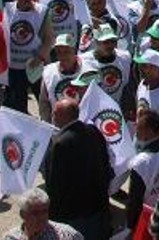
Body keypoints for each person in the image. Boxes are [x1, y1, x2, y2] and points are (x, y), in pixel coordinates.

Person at [43, 98, 113, 240]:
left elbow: (55, 183)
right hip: (96, 206)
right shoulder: (94, 131)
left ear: (65, 116)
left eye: (55, 113)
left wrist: (52, 216)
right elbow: (106, 163)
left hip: (72, 212)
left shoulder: (59, 143)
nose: (52, 116)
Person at [3, 189, 83, 240]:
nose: (42, 217)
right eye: (35, 213)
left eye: (44, 211)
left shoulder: (66, 234)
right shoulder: (11, 237)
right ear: (23, 215)